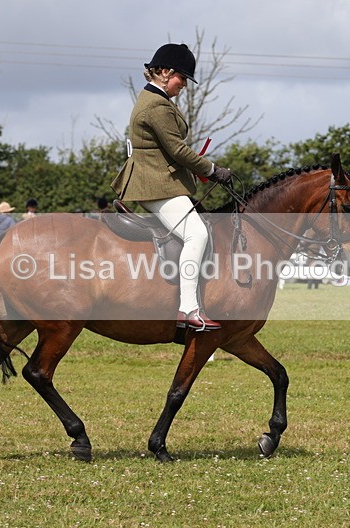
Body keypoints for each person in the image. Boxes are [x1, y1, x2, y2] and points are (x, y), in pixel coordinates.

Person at [110, 43, 232, 331]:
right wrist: (212, 170)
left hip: (160, 181)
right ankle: (188, 309)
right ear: (164, 72)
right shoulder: (155, 105)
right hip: (154, 185)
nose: (185, 85)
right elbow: (177, 149)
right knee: (197, 234)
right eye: (182, 78)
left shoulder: (158, 100)